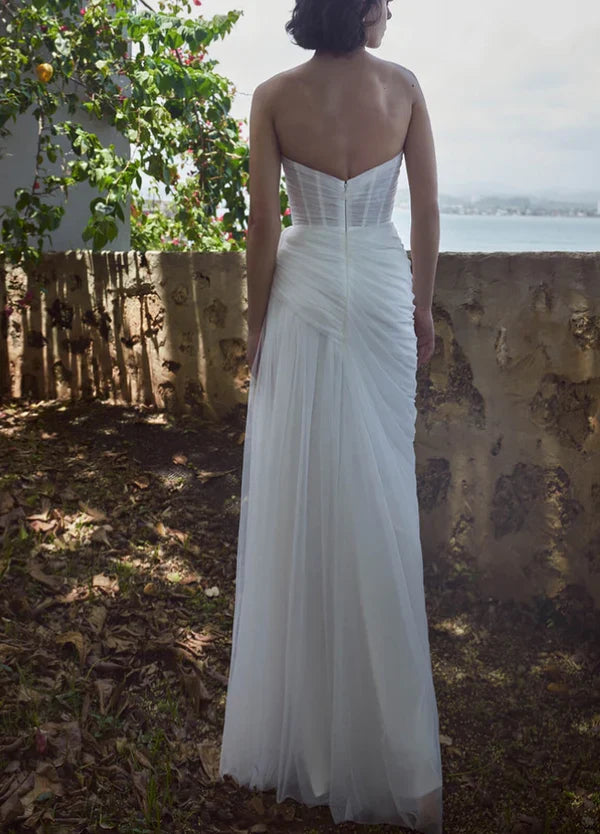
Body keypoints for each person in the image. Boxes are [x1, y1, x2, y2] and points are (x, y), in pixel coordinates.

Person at [219, 1, 442, 831]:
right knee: (380, 497)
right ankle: (388, 741)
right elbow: (425, 212)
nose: (391, 8)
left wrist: (256, 325)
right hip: (380, 292)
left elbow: (265, 223)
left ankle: (307, 732)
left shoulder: (274, 95)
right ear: (363, 8)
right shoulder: (404, 88)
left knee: (304, 498)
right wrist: (422, 306)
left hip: (306, 290)